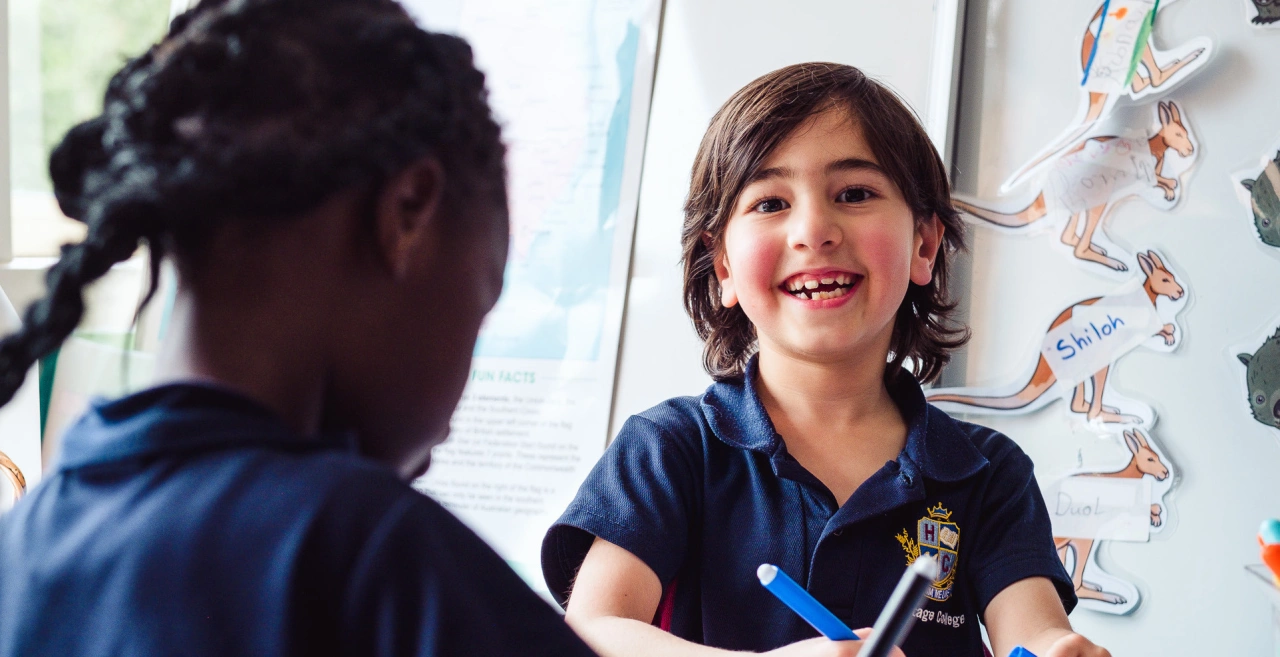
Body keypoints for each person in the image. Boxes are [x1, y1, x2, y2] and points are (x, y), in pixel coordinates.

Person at [0, 1, 596, 655]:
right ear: (407, 212)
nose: (453, 415)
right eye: (481, 306)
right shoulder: (379, 560)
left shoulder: (26, 535)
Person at [543, 63, 1109, 657]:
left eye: (855, 194)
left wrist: (1055, 649)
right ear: (724, 266)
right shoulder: (670, 448)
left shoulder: (987, 471)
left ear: (924, 243)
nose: (814, 230)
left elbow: (1035, 633)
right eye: (769, 203)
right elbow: (593, 633)